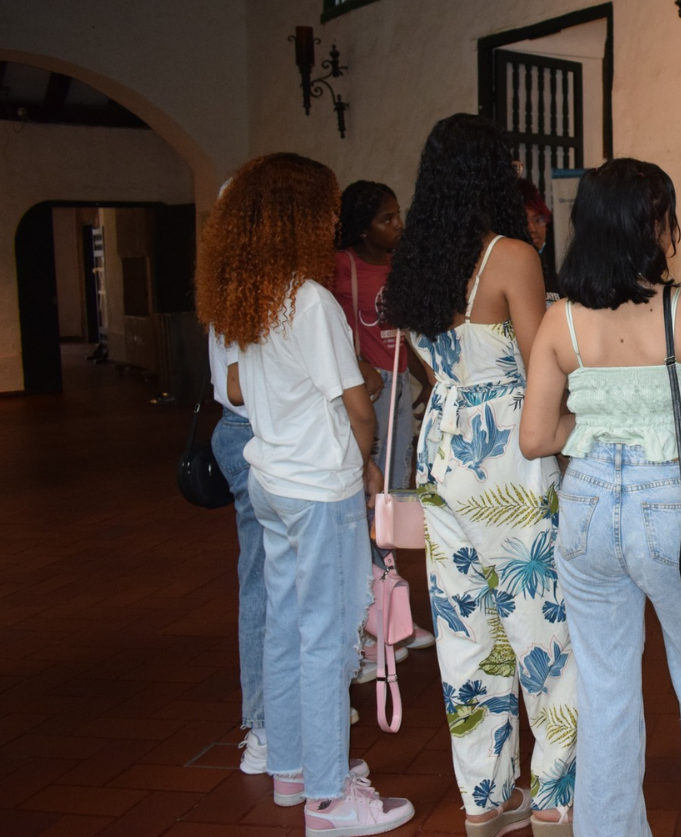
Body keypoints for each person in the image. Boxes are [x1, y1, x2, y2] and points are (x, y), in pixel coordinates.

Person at [519, 158, 681, 837]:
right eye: (665, 216)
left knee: (604, 696)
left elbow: (537, 435)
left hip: (589, 506)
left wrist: (600, 433)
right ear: (648, 225)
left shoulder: (560, 322)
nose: (672, 230)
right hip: (674, 506)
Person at [195, 153, 413, 835]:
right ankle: (328, 796)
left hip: (271, 480)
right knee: (328, 637)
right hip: (320, 487)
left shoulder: (249, 297)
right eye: (324, 207)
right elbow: (357, 402)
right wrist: (370, 462)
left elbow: (238, 390)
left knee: (287, 627)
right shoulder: (310, 301)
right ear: (299, 218)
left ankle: (290, 768)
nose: (331, 220)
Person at [380, 114, 576, 837]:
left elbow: (433, 364)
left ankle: (486, 800)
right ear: (495, 172)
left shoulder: (417, 260)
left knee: (467, 630)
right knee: (540, 625)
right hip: (508, 458)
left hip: (442, 452)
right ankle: (556, 794)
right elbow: (542, 363)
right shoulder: (511, 256)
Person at [331, 180, 436, 669]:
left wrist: (428, 378)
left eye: (398, 216)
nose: (398, 227)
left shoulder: (397, 266)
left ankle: (390, 613)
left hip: (397, 389)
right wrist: (359, 366)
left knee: (392, 500)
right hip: (366, 393)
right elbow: (335, 333)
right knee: (369, 501)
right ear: (361, 226)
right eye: (386, 219)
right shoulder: (342, 268)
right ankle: (368, 622)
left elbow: (408, 334)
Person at [206, 330, 268, 774]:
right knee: (264, 586)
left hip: (247, 430)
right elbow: (236, 383)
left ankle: (275, 723)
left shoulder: (232, 284)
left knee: (269, 583)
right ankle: (265, 729)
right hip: (253, 430)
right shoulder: (248, 290)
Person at [519, 177, 560, 297]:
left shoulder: (555, 275)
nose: (532, 229)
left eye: (538, 220)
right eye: (524, 222)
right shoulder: (513, 277)